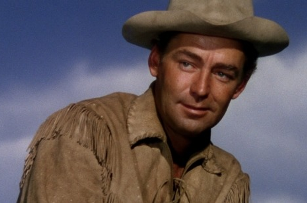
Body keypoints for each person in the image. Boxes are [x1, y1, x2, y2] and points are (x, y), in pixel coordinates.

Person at [17, 0, 289, 202]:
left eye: (222, 73)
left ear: (239, 85)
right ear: (156, 61)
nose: (201, 89)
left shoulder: (229, 179)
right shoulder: (86, 132)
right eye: (187, 64)